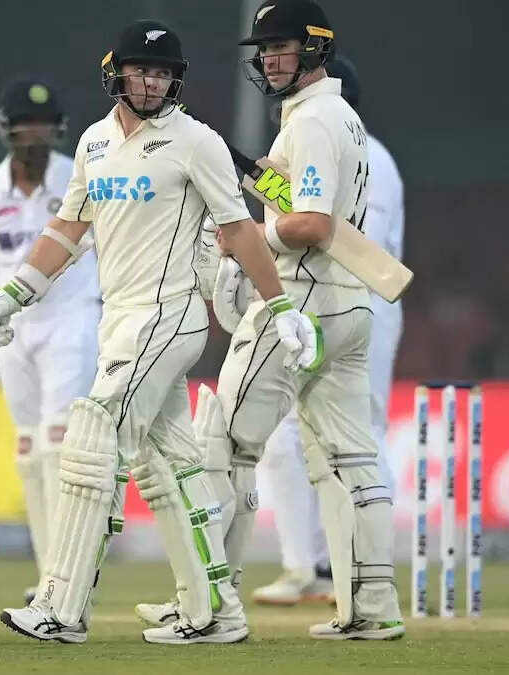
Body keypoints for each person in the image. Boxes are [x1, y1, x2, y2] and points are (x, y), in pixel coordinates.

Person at [0, 20, 318, 645]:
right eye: (143, 70)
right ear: (116, 74)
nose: (154, 81)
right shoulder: (93, 145)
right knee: (171, 467)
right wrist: (16, 292)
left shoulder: (197, 142)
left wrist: (278, 306)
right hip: (120, 319)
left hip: (171, 315)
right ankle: (215, 610)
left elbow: (239, 230)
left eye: (163, 73)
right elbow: (66, 228)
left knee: (94, 433)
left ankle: (61, 606)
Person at [136, 0, 405, 641]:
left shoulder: (314, 120)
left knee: (224, 446)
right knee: (350, 458)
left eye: (280, 47)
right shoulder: (341, 117)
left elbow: (309, 224)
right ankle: (373, 609)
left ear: (315, 48)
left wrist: (251, 236)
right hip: (350, 306)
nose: (267, 58)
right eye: (264, 49)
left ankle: (209, 608)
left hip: (301, 304)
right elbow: (314, 209)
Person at [251, 55, 407, 607]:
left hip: (355, 298)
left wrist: (263, 237)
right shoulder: (329, 141)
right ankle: (314, 566)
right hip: (323, 299)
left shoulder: (365, 154)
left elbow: (342, 240)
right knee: (297, 440)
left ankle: (362, 571)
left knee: (356, 436)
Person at [0, 78, 100, 604]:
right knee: (27, 446)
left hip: (71, 317)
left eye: (43, 125)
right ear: (6, 130)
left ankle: (67, 573)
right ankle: (48, 571)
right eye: (25, 125)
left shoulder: (79, 178)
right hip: (16, 328)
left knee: (57, 443)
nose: (34, 135)